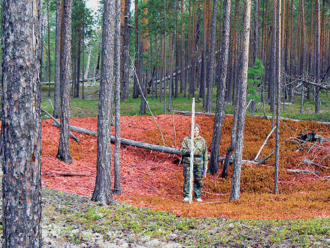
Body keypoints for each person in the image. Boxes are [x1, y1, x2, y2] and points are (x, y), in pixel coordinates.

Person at [180, 123, 208, 203]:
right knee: (187, 178)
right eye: (194, 130)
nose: (195, 131)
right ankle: (187, 195)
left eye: (197, 130)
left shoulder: (202, 141)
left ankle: (198, 195)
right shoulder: (186, 139)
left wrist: (205, 164)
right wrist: (189, 151)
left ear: (199, 130)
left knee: (198, 179)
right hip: (188, 162)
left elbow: (205, 153)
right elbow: (183, 151)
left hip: (199, 162)